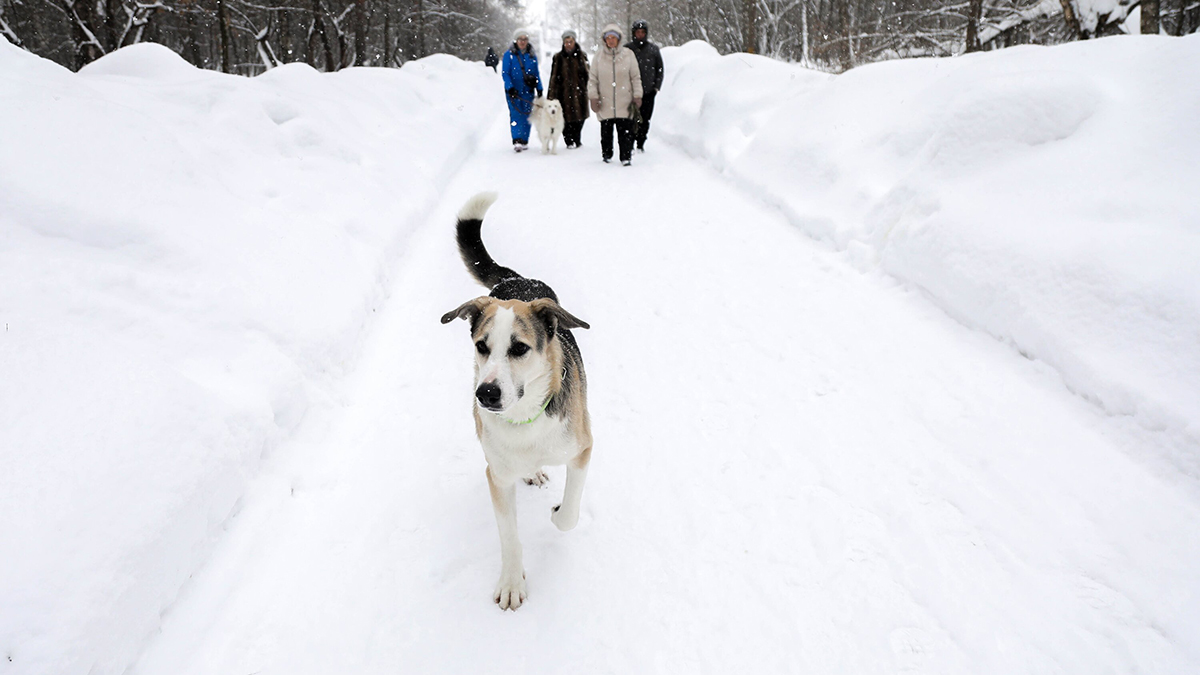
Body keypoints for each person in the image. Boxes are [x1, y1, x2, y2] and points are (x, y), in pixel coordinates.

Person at [587, 23, 642, 166]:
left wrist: (637, 95)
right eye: (608, 38)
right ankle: (607, 155)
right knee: (606, 132)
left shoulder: (628, 55)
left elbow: (635, 77)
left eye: (614, 38)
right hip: (605, 101)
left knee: (625, 132)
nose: (611, 41)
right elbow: (592, 79)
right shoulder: (598, 57)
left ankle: (626, 156)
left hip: (625, 101)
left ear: (619, 39)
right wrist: (593, 97)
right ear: (604, 40)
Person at [625, 20, 664, 152]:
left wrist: (656, 87)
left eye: (642, 32)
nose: (640, 35)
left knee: (645, 119)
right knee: (630, 118)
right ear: (633, 33)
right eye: (638, 32)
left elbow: (659, 69)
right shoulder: (627, 49)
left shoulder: (653, 49)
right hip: (630, 92)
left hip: (648, 91)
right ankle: (629, 142)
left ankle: (640, 143)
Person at [548, 30, 590, 149]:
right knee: (564, 118)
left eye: (570, 41)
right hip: (563, 92)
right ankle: (569, 141)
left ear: (574, 41)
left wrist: (589, 88)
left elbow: (588, 74)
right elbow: (554, 77)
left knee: (580, 117)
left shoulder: (582, 56)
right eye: (566, 42)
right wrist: (551, 95)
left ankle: (577, 139)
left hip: (579, 92)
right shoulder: (558, 57)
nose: (568, 44)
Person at [502, 29, 543, 152]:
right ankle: (517, 140)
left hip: (528, 91)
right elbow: (505, 73)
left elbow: (536, 73)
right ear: (516, 40)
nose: (523, 42)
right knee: (515, 114)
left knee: (527, 115)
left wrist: (539, 88)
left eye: (525, 39)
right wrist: (510, 87)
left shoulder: (532, 55)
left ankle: (524, 140)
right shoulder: (509, 55)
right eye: (520, 39)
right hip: (513, 91)